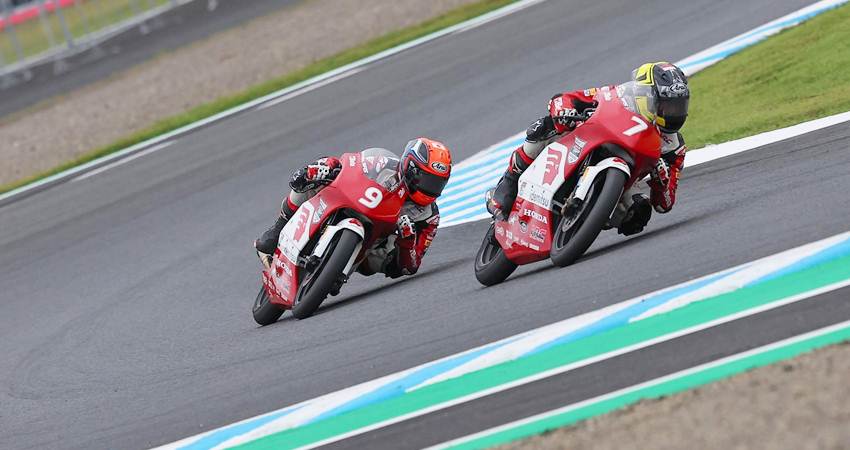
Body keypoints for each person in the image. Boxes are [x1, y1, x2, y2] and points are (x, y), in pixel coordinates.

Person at [490, 61, 690, 236]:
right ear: (647, 98)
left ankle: (584, 220)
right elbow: (564, 98)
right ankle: (510, 179)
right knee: (546, 126)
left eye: (679, 106)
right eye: (668, 106)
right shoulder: (618, 95)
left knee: (639, 214)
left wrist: (663, 179)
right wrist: (564, 111)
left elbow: (664, 204)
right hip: (584, 143)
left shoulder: (674, 147)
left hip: (625, 180)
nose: (675, 113)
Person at [254, 137, 451, 278]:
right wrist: (324, 167)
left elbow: (411, 267)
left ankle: (336, 268)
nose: (430, 188)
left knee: (389, 261)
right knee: (319, 175)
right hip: (352, 201)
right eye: (426, 180)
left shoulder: (429, 217)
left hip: (372, 248)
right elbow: (348, 164)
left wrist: (407, 240)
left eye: (437, 183)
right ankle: (278, 228)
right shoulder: (383, 162)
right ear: (410, 167)